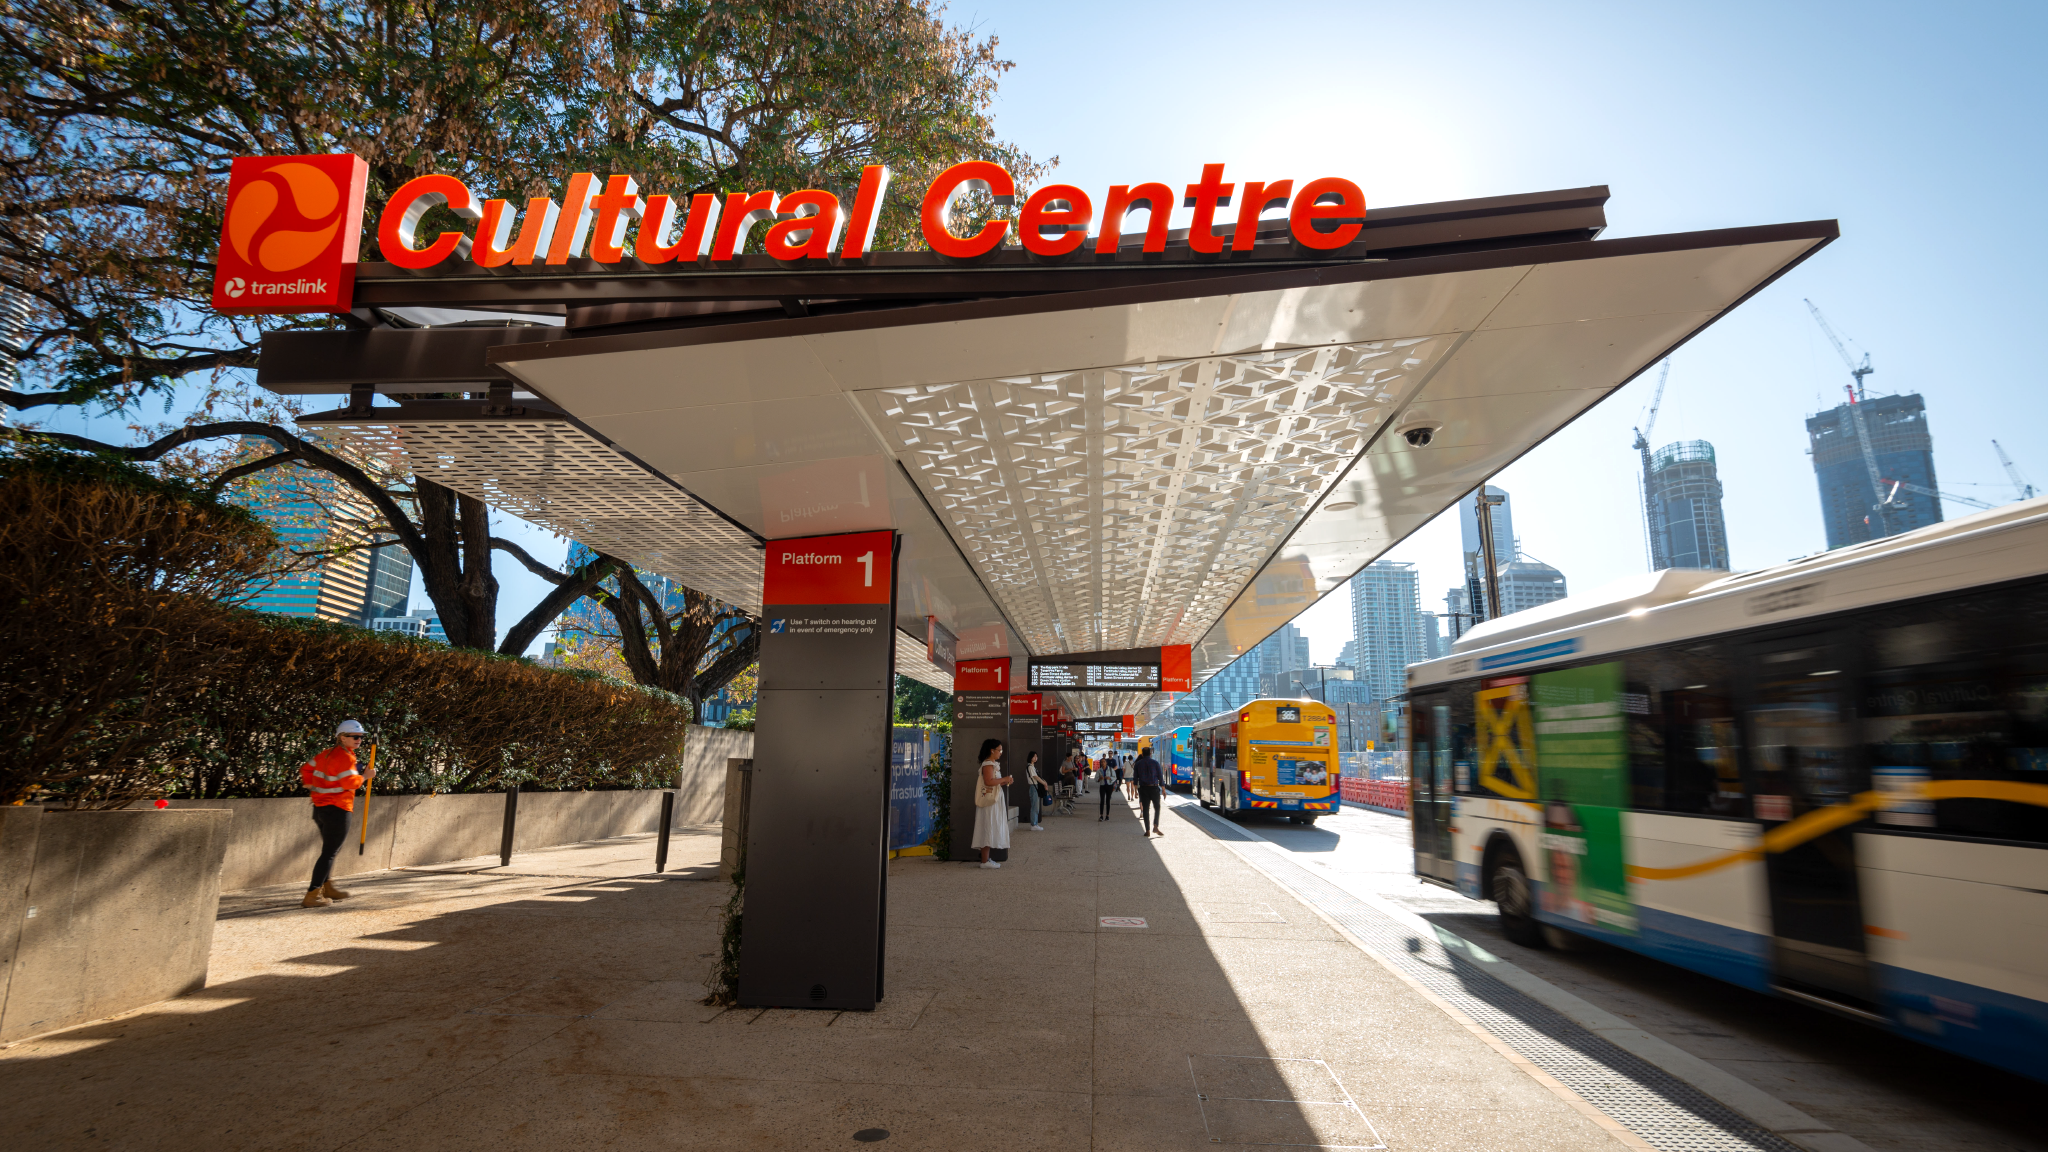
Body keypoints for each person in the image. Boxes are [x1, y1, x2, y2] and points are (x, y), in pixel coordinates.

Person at [301, 719, 375, 908]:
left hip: (320, 809)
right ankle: (313, 894)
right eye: (355, 736)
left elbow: (306, 768)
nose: (359, 739)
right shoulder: (346, 758)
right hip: (339, 809)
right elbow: (349, 783)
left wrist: (310, 785)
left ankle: (327, 887)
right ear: (342, 738)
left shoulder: (325, 754)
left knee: (330, 850)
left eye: (361, 737)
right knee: (329, 853)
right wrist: (365, 776)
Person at [971, 738, 1013, 869]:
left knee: (990, 825)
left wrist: (1004, 781)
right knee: (987, 825)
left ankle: (987, 859)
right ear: (992, 750)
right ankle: (985, 860)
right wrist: (1004, 779)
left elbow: (993, 781)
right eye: (999, 750)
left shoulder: (992, 763)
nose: (1001, 752)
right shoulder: (988, 764)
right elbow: (988, 781)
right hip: (990, 801)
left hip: (994, 799)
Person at [1133, 743, 1166, 837]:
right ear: (1150, 754)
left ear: (1142, 754)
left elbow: (1135, 779)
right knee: (1157, 807)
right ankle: (1155, 826)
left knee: (1146, 809)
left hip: (1143, 789)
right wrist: (1163, 789)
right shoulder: (1155, 763)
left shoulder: (1138, 764)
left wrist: (1135, 791)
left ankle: (1147, 830)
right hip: (1154, 788)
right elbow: (1160, 777)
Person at [1024, 750, 1046, 831]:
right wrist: (1044, 783)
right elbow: (1035, 777)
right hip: (1033, 787)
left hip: (1035, 787)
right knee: (1034, 806)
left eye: (1036, 756)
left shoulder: (1032, 767)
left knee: (1036, 806)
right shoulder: (1030, 767)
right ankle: (1033, 824)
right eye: (1034, 756)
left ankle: (1035, 823)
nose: (1036, 758)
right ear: (1030, 757)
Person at [1097, 754, 1116, 820]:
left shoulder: (1110, 769)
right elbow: (1096, 779)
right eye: (1101, 762)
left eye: (1104, 762)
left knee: (1108, 801)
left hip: (1109, 786)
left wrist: (1109, 778)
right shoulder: (1099, 770)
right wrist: (1099, 779)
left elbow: (1114, 777)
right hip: (1102, 786)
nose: (1103, 763)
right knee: (1102, 800)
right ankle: (1101, 815)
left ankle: (1107, 815)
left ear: (1106, 762)